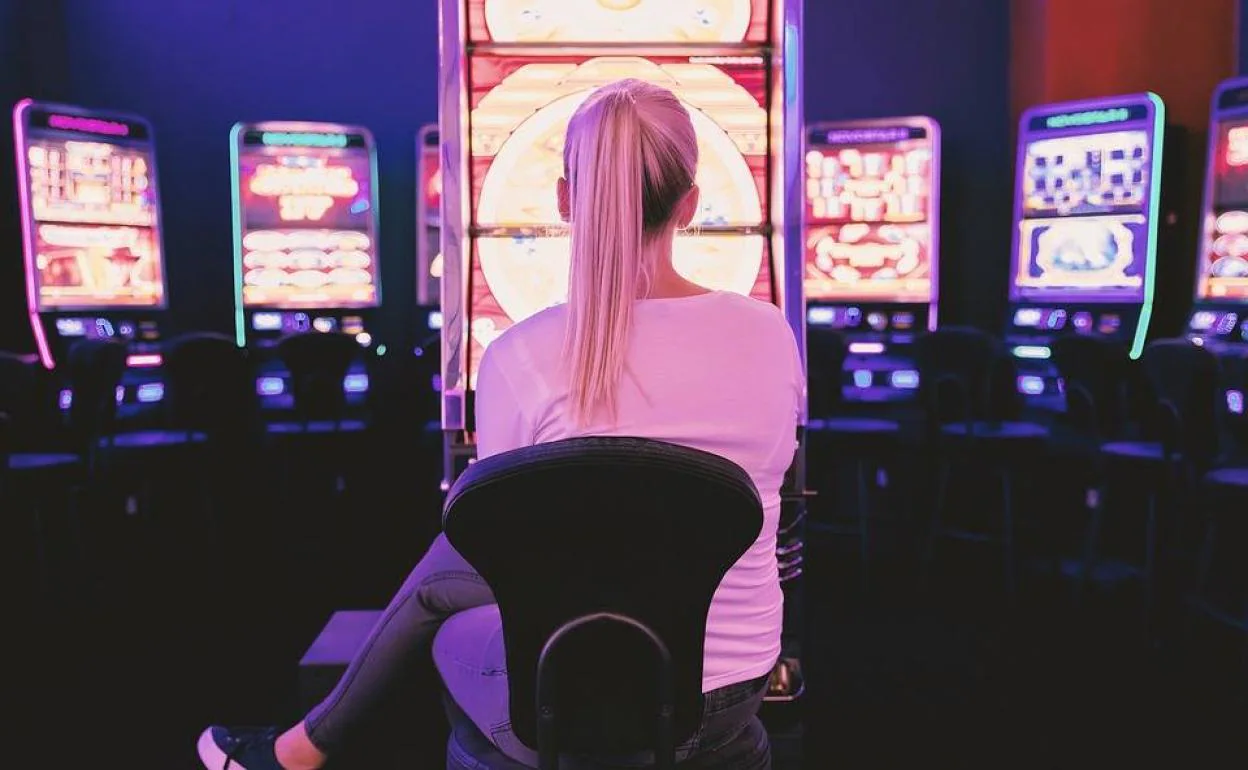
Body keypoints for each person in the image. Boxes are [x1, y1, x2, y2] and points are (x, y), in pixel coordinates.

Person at [197, 78, 803, 770]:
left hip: (570, 700)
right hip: (734, 694)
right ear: (690, 205)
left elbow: (505, 557)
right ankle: (299, 749)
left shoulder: (521, 355)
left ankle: (301, 749)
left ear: (566, 198)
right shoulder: (770, 335)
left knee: (445, 593)